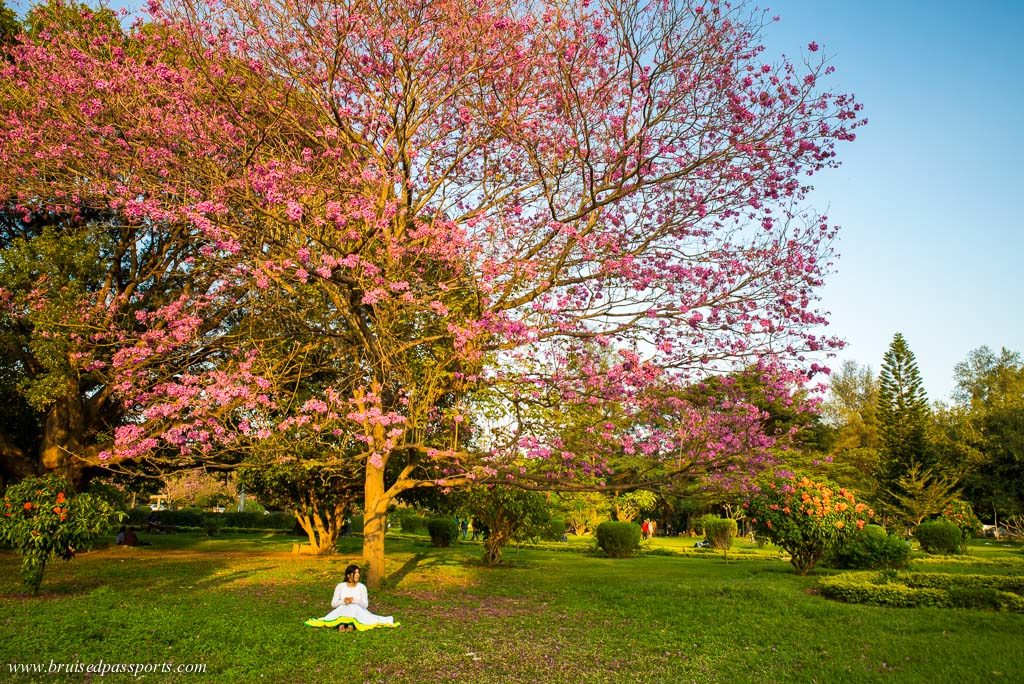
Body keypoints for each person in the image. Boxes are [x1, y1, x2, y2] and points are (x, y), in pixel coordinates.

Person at [305, 565, 398, 632]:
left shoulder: (362, 587)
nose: (358, 575)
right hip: (342, 610)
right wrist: (344, 601)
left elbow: (365, 605)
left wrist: (354, 600)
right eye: (355, 573)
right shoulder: (340, 586)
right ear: (348, 575)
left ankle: (350, 625)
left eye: (358, 573)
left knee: (353, 606)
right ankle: (342, 624)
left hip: (358, 612)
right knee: (346, 606)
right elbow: (333, 604)